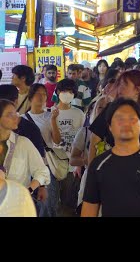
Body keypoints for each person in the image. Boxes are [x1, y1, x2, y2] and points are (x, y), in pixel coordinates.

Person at [81, 98, 140, 217]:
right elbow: (90, 207)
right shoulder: (98, 165)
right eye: (120, 119)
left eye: (132, 119)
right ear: (110, 126)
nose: (126, 124)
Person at [89, 70, 140, 164]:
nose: (119, 89)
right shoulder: (110, 109)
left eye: (124, 85)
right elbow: (94, 141)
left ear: (138, 89)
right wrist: (91, 170)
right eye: (119, 84)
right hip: (111, 171)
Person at [0, 99, 50, 208]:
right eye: (10, 114)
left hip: (17, 206)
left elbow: (42, 171)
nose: (16, 117)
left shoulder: (23, 143)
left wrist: (29, 189)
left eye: (16, 113)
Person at [23, 83, 59, 217]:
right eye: (38, 93)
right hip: (29, 165)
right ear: (31, 97)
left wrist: (54, 121)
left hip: (47, 163)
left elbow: (56, 140)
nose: (42, 97)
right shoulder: (22, 119)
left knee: (49, 201)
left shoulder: (50, 116)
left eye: (44, 94)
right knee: (33, 201)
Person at [52, 78, 86, 216]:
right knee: (53, 201)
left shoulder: (79, 113)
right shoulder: (51, 112)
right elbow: (54, 140)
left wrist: (79, 164)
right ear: (58, 92)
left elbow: (83, 139)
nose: (67, 94)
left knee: (69, 201)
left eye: (71, 91)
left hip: (72, 165)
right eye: (64, 90)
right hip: (54, 162)